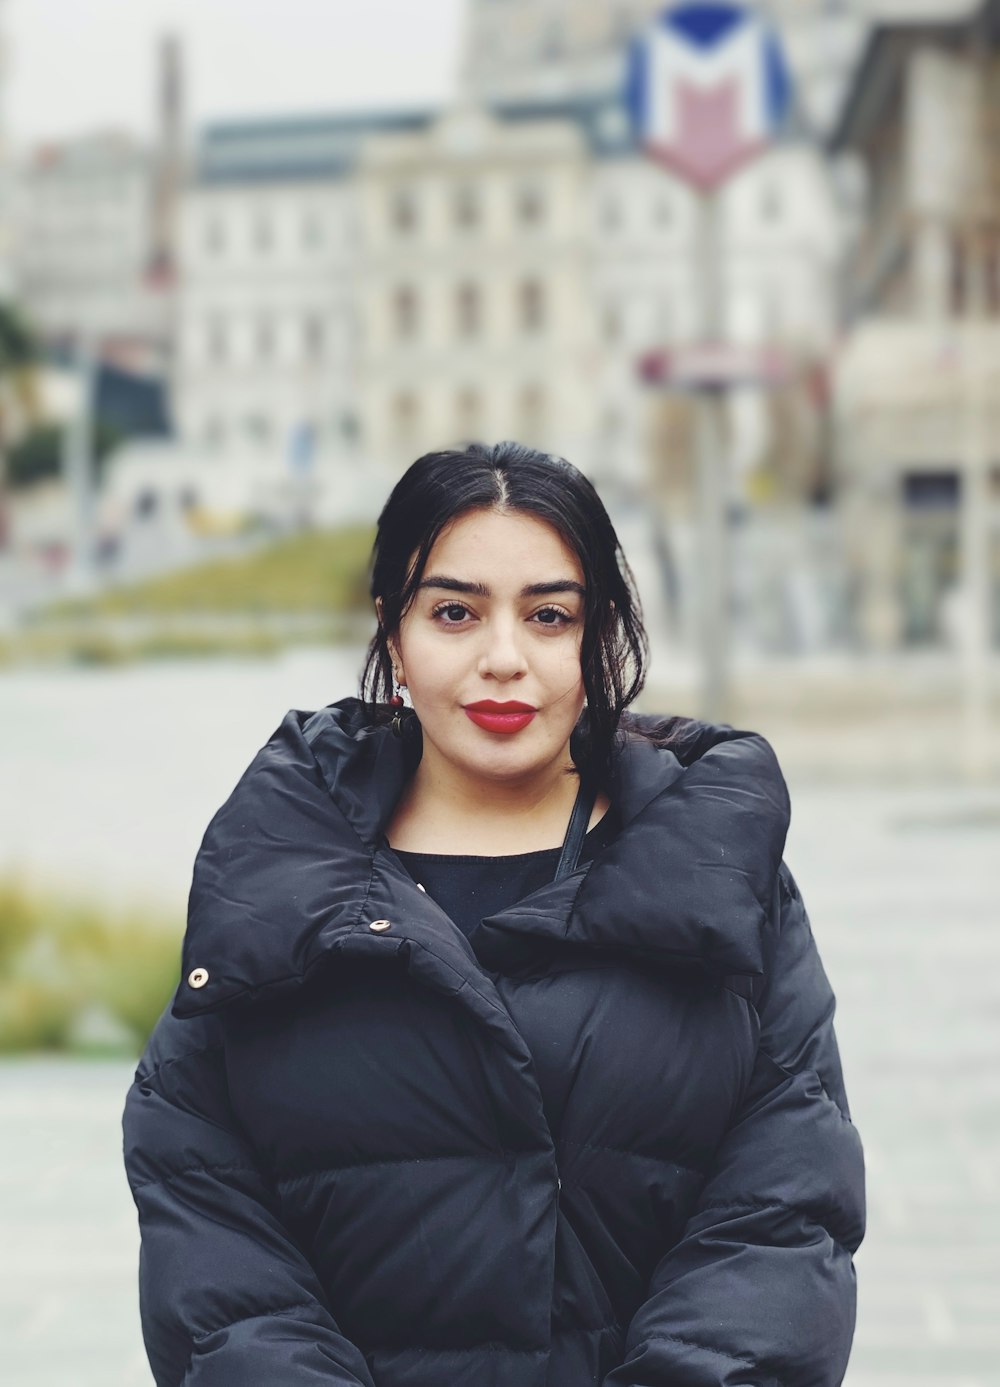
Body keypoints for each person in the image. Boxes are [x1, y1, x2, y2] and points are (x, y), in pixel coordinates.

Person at [123, 441, 865, 1387]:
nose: (503, 658)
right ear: (394, 635)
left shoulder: (715, 868)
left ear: (599, 638)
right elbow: (202, 1198)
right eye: (455, 612)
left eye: (548, 615)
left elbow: (786, 1210)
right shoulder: (277, 864)